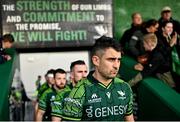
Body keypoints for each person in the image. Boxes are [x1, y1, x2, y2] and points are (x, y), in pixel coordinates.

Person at [61, 36, 134, 121]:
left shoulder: (124, 87)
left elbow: (130, 119)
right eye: (111, 60)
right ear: (96, 60)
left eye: (118, 60)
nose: (116, 65)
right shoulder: (79, 91)